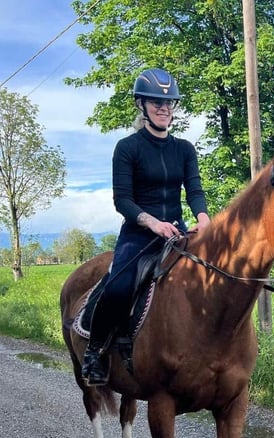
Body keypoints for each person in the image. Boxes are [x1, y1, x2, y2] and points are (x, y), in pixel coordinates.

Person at [81, 68, 211, 386]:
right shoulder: (128, 148)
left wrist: (204, 219)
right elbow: (122, 200)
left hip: (179, 232)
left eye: (169, 103)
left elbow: (194, 190)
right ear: (142, 105)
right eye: (156, 102)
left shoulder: (184, 149)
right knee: (118, 286)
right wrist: (152, 222)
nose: (164, 108)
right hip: (139, 233)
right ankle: (95, 352)